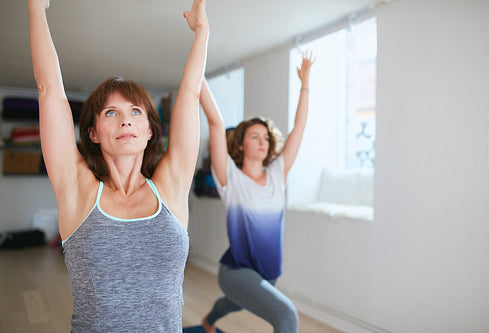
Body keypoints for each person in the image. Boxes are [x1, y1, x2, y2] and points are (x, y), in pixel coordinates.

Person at [28, 0, 209, 331]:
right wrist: (35, 9)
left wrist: (202, 32)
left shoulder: (171, 185)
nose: (126, 120)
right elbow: (49, 90)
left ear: (151, 130)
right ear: (94, 133)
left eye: (136, 112)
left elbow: (189, 94)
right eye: (111, 112)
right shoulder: (78, 191)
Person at [200, 52, 315, 333]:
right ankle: (211, 318)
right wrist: (197, 75)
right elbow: (216, 123)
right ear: (240, 144)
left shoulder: (277, 174)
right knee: (287, 316)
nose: (262, 141)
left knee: (234, 304)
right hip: (236, 272)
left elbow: (299, 129)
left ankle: (208, 321)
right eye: (254, 136)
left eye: (266, 137)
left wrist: (305, 83)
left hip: (269, 273)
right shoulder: (230, 178)